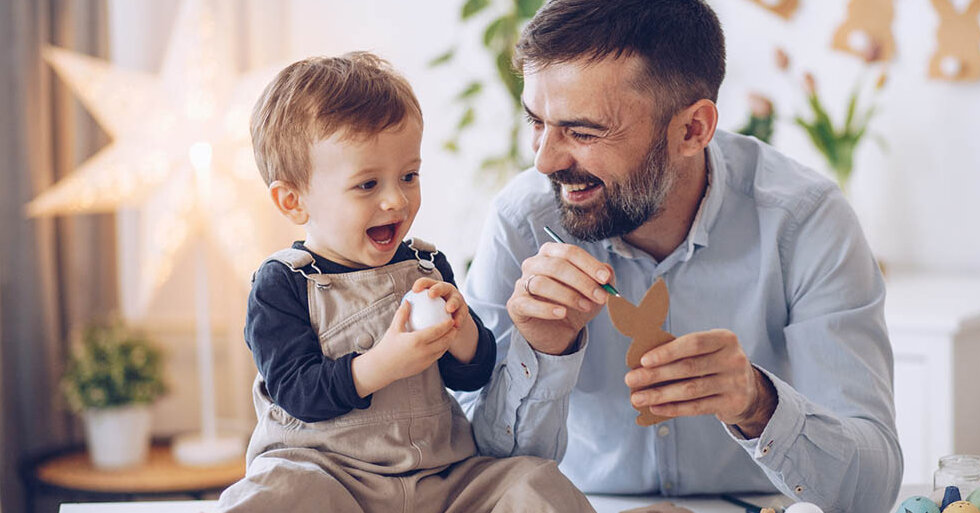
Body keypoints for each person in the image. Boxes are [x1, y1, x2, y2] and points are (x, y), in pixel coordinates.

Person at [457, 1, 903, 511]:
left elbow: (873, 488)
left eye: (582, 132)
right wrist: (539, 355)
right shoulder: (520, 222)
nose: (544, 161)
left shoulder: (805, 221)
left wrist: (759, 405)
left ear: (693, 129)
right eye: (537, 122)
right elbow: (471, 474)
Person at [217, 51, 594, 513]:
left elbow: (472, 377)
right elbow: (298, 393)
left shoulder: (425, 264)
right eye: (367, 185)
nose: (396, 200)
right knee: (276, 494)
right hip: (333, 479)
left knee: (531, 480)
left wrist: (462, 332)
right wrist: (385, 363)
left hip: (440, 478)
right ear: (293, 201)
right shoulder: (284, 283)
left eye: (409, 176)